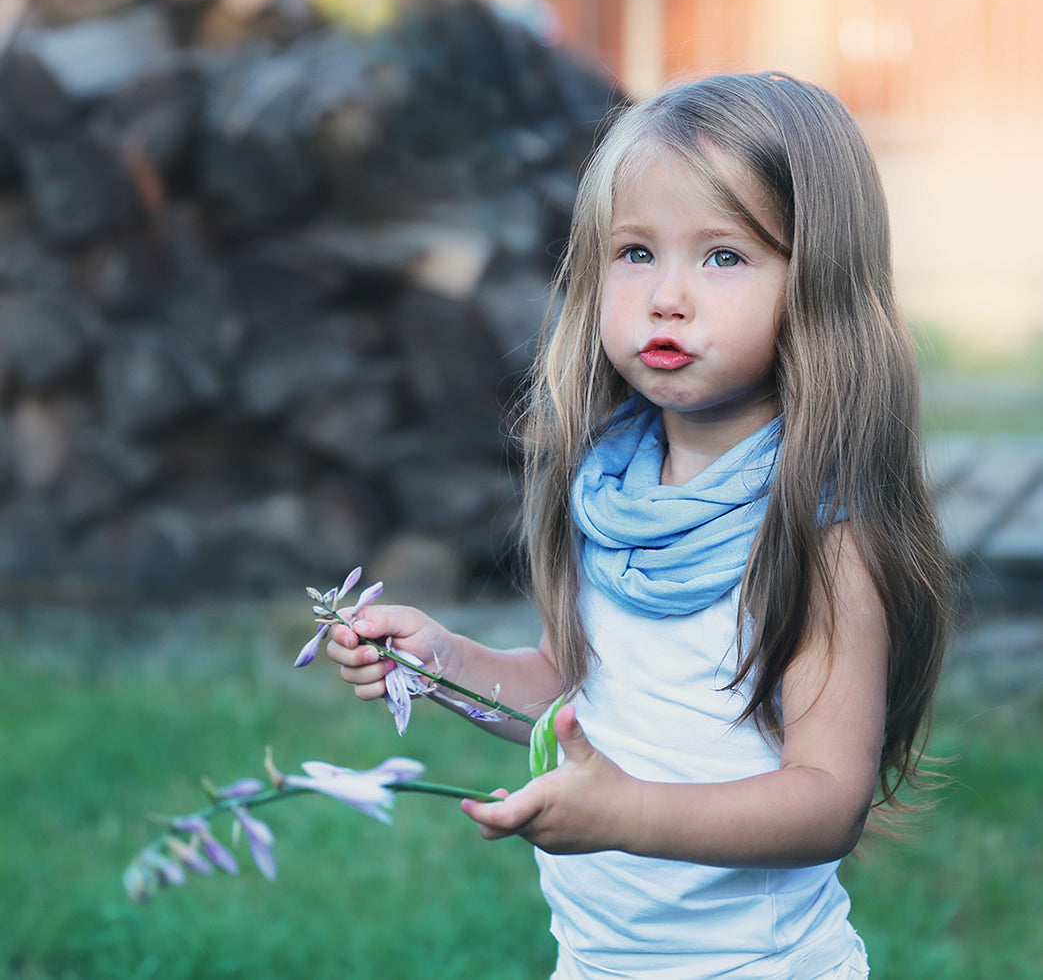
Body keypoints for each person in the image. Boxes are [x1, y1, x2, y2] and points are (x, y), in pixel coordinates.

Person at [326, 72, 952, 979]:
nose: (668, 295)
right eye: (635, 252)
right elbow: (570, 696)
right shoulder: (605, 490)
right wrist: (438, 662)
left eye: (723, 256)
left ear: (814, 285)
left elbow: (826, 802)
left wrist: (625, 814)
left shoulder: (818, 532)